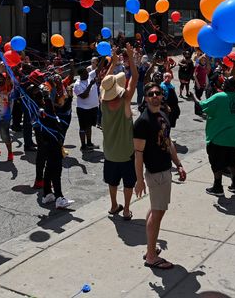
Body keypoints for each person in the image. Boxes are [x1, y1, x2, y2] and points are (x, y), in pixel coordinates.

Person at [134, 82, 186, 270]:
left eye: (158, 93)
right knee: (158, 213)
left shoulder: (163, 115)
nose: (155, 96)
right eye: (151, 94)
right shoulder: (142, 122)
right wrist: (139, 180)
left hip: (165, 170)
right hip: (156, 172)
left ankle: (151, 248)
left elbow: (168, 141)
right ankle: (151, 256)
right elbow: (138, 153)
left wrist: (178, 164)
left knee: (155, 211)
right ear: (146, 98)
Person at [100, 44, 138, 221]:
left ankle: (114, 205)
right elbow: (135, 79)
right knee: (128, 183)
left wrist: (113, 63)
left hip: (109, 152)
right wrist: (130, 58)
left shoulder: (103, 101)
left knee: (112, 181)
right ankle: (126, 209)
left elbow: (105, 82)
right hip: (126, 153)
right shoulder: (125, 102)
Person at [199, 76, 235, 196]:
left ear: (231, 86)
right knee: (232, 160)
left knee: (216, 163)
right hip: (234, 137)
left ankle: (218, 186)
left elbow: (202, 105)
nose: (223, 83)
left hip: (218, 137)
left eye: (226, 82)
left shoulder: (220, 97)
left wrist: (194, 96)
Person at [73, 67, 99, 151]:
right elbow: (84, 96)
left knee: (89, 126)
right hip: (83, 109)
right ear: (81, 75)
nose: (87, 74)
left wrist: (103, 56)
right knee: (83, 128)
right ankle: (83, 146)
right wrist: (90, 84)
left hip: (93, 108)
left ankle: (89, 143)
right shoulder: (77, 85)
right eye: (85, 73)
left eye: (87, 72)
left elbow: (99, 68)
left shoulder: (89, 76)